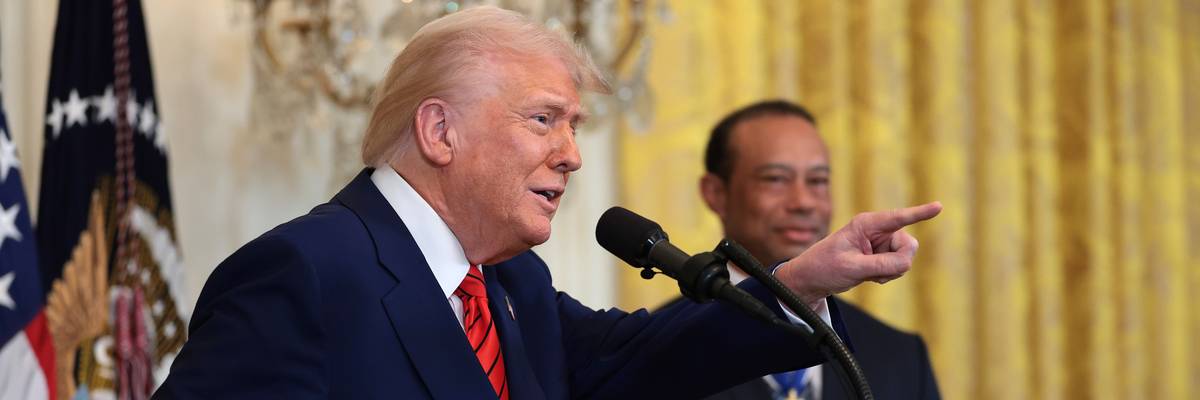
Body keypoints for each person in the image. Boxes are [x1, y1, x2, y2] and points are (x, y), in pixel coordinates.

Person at [153, 8, 941, 400]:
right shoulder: (309, 272)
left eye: (574, 126)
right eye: (543, 120)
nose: (570, 153)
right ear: (439, 130)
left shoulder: (510, 284)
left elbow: (643, 358)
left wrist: (801, 280)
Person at [694, 100, 941, 399]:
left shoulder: (900, 357)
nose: (803, 202)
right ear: (716, 194)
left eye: (817, 181)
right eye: (775, 179)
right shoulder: (660, 352)